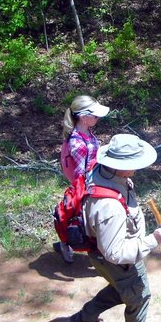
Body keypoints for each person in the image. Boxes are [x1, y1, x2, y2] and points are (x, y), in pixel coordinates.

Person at [68, 133, 161, 322]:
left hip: (99, 257)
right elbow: (115, 252)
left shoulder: (100, 173)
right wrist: (154, 240)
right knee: (139, 294)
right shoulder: (109, 206)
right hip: (118, 262)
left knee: (119, 289)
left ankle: (83, 319)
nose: (138, 168)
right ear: (122, 166)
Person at [54, 95, 110, 264]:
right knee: (79, 219)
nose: (98, 118)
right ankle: (67, 244)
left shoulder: (86, 132)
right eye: (95, 115)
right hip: (85, 186)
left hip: (92, 181)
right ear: (85, 118)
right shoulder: (77, 143)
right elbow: (81, 173)